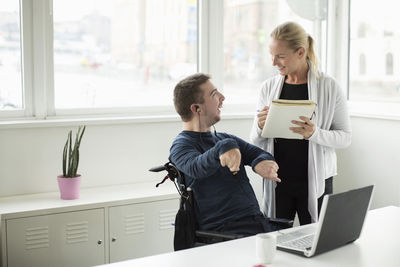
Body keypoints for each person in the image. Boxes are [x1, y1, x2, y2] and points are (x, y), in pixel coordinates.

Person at [250, 22, 352, 225]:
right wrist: (260, 126)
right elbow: (254, 141)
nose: (274, 62)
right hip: (278, 182)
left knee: (317, 242)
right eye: (271, 55)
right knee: (276, 242)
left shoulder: (329, 87)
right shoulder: (268, 88)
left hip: (317, 180)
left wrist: (315, 133)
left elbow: (345, 138)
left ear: (300, 52)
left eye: (280, 56)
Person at [169, 73, 284, 236]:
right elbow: (196, 167)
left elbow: (257, 153)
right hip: (224, 233)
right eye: (214, 94)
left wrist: (261, 162)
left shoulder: (224, 138)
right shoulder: (181, 146)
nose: (222, 97)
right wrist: (223, 148)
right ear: (196, 108)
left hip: (257, 224)